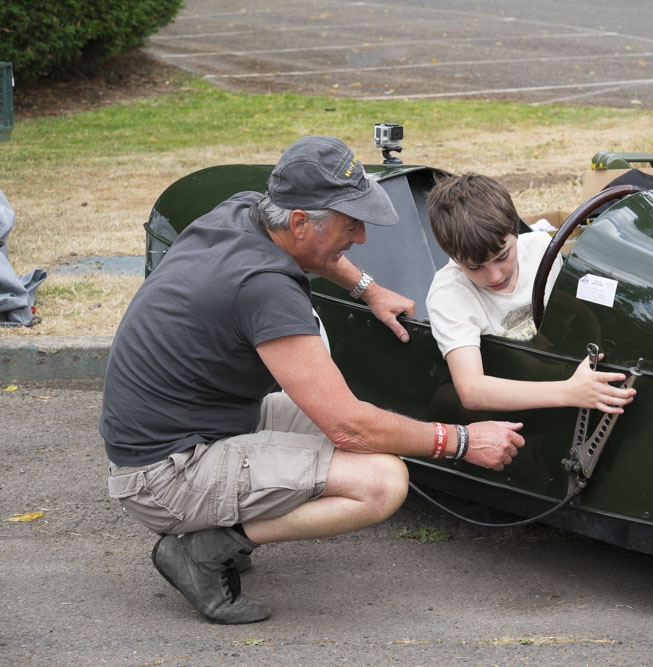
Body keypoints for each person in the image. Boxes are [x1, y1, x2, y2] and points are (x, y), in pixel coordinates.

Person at [99, 136, 525, 624]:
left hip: (197, 424)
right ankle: (204, 547)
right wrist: (460, 440)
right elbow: (348, 426)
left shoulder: (245, 211)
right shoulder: (263, 288)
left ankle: (220, 527)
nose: (362, 237)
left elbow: (319, 253)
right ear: (300, 222)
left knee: (363, 421)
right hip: (165, 474)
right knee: (382, 481)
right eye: (351, 224)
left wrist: (368, 289)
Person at [424, 173, 635, 413]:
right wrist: (569, 392)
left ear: (514, 230)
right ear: (452, 255)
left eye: (502, 257)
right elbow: (472, 391)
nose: (495, 276)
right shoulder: (449, 294)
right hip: (507, 410)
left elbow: (580, 312)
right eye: (474, 267)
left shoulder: (540, 248)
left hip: (564, 376)